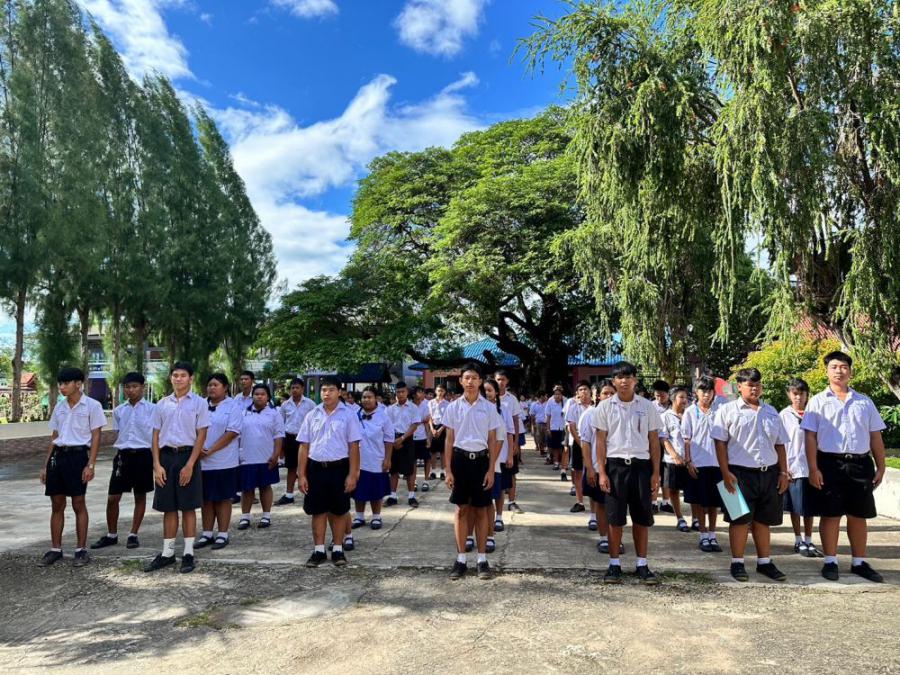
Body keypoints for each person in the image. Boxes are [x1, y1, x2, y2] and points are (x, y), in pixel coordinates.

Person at [801, 351, 887, 583]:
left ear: (850, 371)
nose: (839, 371)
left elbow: (875, 436)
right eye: (834, 367)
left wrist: (881, 466)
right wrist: (813, 468)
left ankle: (859, 562)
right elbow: (810, 437)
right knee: (831, 515)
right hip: (829, 463)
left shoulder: (864, 402)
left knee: (859, 515)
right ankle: (830, 561)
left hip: (860, 464)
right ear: (827, 371)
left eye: (844, 367)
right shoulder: (817, 402)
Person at [712, 368, 790, 582]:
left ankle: (764, 562)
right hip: (737, 473)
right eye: (749, 385)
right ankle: (737, 563)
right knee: (739, 520)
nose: (754, 389)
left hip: (769, 474)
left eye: (757, 385)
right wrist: (725, 472)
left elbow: (780, 444)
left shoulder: (771, 411)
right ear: (739, 387)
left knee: (763, 520)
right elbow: (720, 443)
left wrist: (783, 472)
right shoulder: (727, 410)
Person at [593, 362, 663, 585]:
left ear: (635, 380)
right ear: (614, 381)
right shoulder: (605, 407)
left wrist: (655, 473)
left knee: (642, 517)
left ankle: (642, 564)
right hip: (615, 467)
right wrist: (601, 472)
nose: (624, 381)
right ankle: (614, 564)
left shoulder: (647, 406)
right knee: (615, 518)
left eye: (628, 377)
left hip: (641, 467)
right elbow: (601, 441)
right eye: (619, 377)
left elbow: (654, 441)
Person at [145, 362, 210, 574]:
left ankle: (188, 553)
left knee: (188, 507)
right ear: (170, 378)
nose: (178, 379)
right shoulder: (162, 404)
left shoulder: (199, 403)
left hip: (187, 456)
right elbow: (155, 436)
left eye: (183, 375)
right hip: (166, 458)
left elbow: (201, 435)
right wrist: (156, 465)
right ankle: (168, 553)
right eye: (175, 375)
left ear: (191, 378)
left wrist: (190, 464)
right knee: (169, 507)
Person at [39, 367, 106, 567]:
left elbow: (96, 436)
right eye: (60, 383)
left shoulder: (92, 406)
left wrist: (90, 464)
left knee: (78, 503)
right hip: (58, 458)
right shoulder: (59, 407)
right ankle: (55, 549)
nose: (62, 387)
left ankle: (81, 550)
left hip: (78, 457)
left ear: (78, 384)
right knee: (57, 504)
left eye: (66, 383)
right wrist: (45, 466)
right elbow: (54, 437)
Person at [445, 363, 505, 580]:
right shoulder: (453, 407)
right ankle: (461, 559)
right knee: (461, 509)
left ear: (480, 381)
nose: (470, 381)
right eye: (466, 377)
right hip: (460, 461)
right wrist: (448, 469)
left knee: (481, 510)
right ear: (461, 381)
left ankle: (482, 559)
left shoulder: (489, 408)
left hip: (481, 461)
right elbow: (449, 439)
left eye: (474, 378)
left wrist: (491, 469)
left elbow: (493, 440)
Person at [298, 375, 362, 567]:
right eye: (324, 390)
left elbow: (354, 446)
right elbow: (304, 446)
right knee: (317, 510)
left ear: (339, 392)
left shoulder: (348, 415)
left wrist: (353, 474)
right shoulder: (312, 414)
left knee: (339, 510)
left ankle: (338, 549)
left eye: (331, 390)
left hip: (339, 468)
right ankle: (318, 550)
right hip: (316, 468)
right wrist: (302, 474)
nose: (326, 394)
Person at [91, 372, 155, 551]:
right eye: (127, 387)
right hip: (123, 456)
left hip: (143, 455)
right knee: (113, 497)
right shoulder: (119, 410)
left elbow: (156, 436)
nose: (131, 390)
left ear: (142, 388)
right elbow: (119, 433)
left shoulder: (153, 410)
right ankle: (111, 534)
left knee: (140, 496)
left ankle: (133, 534)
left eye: (135, 386)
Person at [195, 374, 242, 550]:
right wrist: (198, 449)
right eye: (209, 385)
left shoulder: (233, 406)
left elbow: (232, 432)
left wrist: (211, 449)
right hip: (201, 461)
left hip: (224, 461)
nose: (211, 388)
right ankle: (207, 533)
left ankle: (223, 534)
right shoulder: (200, 405)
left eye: (215, 385)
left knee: (223, 498)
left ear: (225, 387)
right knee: (206, 499)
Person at [779, 377, 822, 557]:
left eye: (801, 394)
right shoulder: (784, 415)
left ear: (807, 395)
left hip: (811, 467)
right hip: (793, 467)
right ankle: (798, 539)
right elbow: (780, 443)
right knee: (795, 506)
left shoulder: (814, 414)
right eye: (795, 394)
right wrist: (784, 467)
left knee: (809, 507)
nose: (798, 397)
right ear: (789, 395)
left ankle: (809, 539)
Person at [236, 384, 284, 530]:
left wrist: (276, 454)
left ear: (268, 397)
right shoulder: (242, 413)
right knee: (247, 488)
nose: (259, 396)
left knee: (265, 486)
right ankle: (245, 516)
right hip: (247, 456)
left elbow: (279, 435)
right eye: (256, 394)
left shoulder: (274, 414)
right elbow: (236, 435)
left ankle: (266, 516)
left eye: (262, 394)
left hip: (266, 456)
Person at [682, 376, 722, 548]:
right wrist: (688, 461)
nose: (706, 394)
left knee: (714, 502)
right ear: (696, 392)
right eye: (703, 391)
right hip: (698, 463)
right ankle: (703, 534)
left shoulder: (719, 411)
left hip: (717, 463)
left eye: (709, 391)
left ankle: (712, 534)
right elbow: (686, 439)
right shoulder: (690, 412)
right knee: (699, 501)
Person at [478, 378, 515, 554]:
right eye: (484, 390)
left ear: (496, 393)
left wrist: (510, 454)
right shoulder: (478, 409)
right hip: (480, 458)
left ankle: (498, 518)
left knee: (498, 490)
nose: (487, 393)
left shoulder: (503, 409)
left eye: (490, 390)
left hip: (499, 455)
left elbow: (509, 433)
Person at [581, 380, 619, 552]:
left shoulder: (622, 414)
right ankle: (604, 538)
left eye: (612, 393)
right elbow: (586, 443)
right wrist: (590, 468)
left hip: (618, 468)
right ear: (597, 396)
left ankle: (616, 539)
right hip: (598, 468)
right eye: (605, 393)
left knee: (618, 506)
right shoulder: (590, 415)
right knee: (601, 505)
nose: (609, 396)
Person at [351, 386, 394, 532]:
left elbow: (389, 439)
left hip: (376, 458)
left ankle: (376, 516)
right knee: (359, 490)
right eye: (364, 397)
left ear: (376, 399)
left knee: (376, 489)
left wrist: (387, 459)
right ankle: (359, 516)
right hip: (358, 460)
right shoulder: (354, 415)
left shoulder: (383, 416)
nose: (366, 400)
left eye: (369, 397)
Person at [276, 378, 316, 506]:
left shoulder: (310, 404)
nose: (294, 390)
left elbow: (315, 422)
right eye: (292, 388)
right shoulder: (285, 405)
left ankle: (310, 493)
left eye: (297, 387)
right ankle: (289, 495)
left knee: (308, 467)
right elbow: (280, 423)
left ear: (302, 389)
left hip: (306, 440)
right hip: (290, 438)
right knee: (291, 467)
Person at [385, 382, 421, 507]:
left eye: (402, 392)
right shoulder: (389, 409)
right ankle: (392, 496)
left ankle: (411, 496)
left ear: (407, 392)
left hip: (407, 439)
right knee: (393, 469)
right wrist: (394, 440)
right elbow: (386, 426)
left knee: (409, 469)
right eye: (398, 392)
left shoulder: (413, 408)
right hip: (393, 439)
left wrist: (402, 438)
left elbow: (414, 425)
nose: (400, 394)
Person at [661, 386, 690, 533]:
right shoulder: (666, 416)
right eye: (681, 397)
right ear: (673, 399)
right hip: (673, 460)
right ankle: (680, 518)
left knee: (693, 490)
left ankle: (696, 519)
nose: (684, 400)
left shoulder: (690, 414)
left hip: (691, 459)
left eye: (686, 397)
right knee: (674, 489)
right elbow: (664, 439)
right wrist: (675, 455)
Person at [566, 381, 592, 513]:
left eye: (585, 389)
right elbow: (572, 427)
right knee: (578, 472)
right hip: (578, 442)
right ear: (577, 393)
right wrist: (581, 443)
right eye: (580, 389)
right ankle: (580, 501)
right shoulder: (573, 407)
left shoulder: (596, 406)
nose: (583, 392)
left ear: (591, 391)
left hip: (595, 443)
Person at [411, 386, 433, 492]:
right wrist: (421, 421)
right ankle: (414, 481)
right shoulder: (409, 406)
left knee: (427, 459)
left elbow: (427, 422)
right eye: (419, 392)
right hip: (411, 436)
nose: (421, 394)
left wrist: (428, 438)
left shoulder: (425, 405)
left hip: (422, 436)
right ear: (414, 394)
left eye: (422, 392)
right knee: (413, 460)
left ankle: (426, 481)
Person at [545, 385, 567, 479]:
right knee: (555, 447)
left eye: (559, 394)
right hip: (553, 427)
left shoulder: (566, 401)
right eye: (555, 394)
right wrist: (548, 429)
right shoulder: (550, 401)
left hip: (563, 428)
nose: (557, 396)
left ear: (562, 394)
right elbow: (548, 416)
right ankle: (556, 463)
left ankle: (564, 464)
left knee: (563, 448)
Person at [428, 384, 449, 482]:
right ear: (435, 391)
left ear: (444, 392)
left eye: (442, 391)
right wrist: (432, 429)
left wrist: (441, 429)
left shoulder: (447, 404)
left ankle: (443, 472)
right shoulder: (431, 402)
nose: (440, 393)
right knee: (433, 451)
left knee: (442, 452)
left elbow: (447, 418)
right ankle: (433, 471)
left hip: (443, 427)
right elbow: (430, 417)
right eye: (438, 390)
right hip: (433, 427)